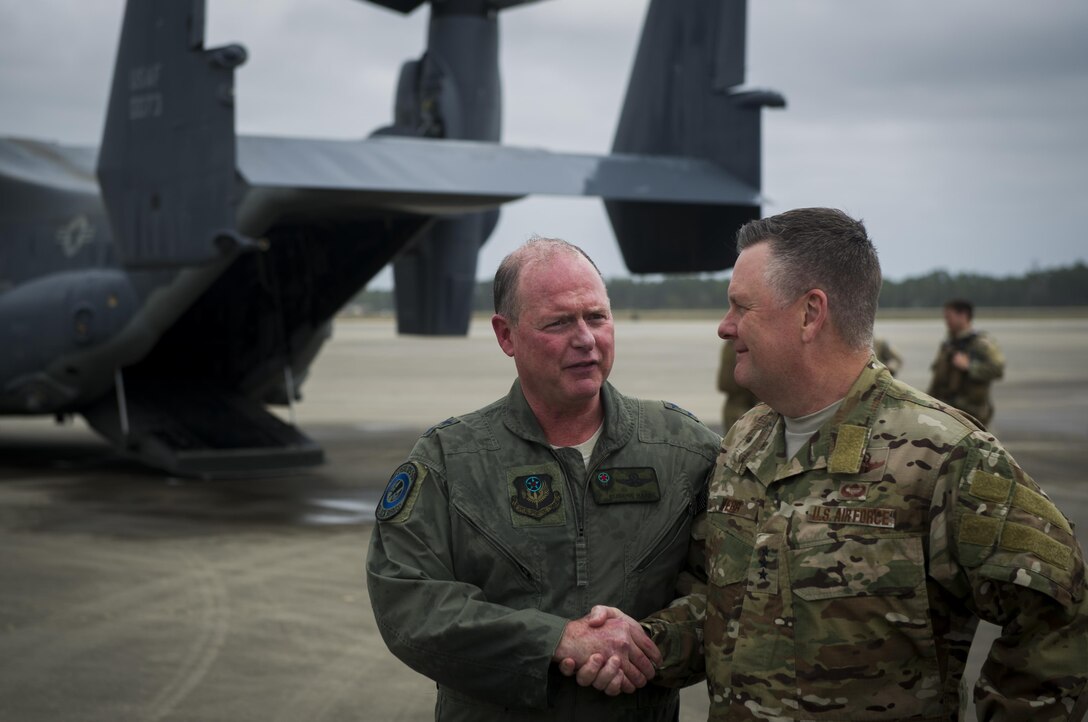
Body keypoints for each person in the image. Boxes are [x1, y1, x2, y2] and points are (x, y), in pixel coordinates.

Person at [566, 208, 1088, 720]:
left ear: (810, 314)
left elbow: (1058, 617)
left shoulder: (946, 456)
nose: (725, 328)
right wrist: (640, 645)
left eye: (741, 307)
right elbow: (718, 601)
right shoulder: (744, 444)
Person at [366, 236, 720, 721]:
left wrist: (647, 647)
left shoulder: (685, 449)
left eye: (597, 316)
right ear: (506, 335)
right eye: (558, 322)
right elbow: (407, 604)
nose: (586, 339)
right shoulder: (449, 460)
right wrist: (555, 641)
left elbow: (734, 592)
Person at [928, 298, 1005, 426]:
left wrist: (970, 366)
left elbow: (998, 369)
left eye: (949, 317)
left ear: (963, 315)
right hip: (946, 412)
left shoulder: (981, 343)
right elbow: (938, 378)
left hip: (971, 415)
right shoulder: (949, 344)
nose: (946, 322)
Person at [717, 339, 760, 432]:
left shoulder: (735, 345)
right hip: (739, 401)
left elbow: (725, 383)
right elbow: (725, 383)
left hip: (744, 402)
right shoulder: (733, 345)